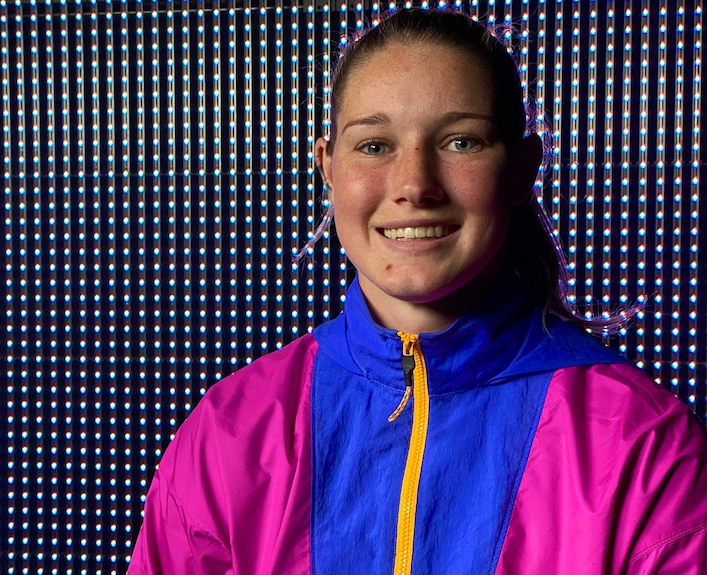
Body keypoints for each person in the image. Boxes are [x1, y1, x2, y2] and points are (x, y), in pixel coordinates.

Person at [127, 7, 707, 574]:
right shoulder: (232, 429)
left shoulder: (643, 447)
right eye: (375, 145)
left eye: (461, 142)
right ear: (328, 167)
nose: (414, 185)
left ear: (525, 168)